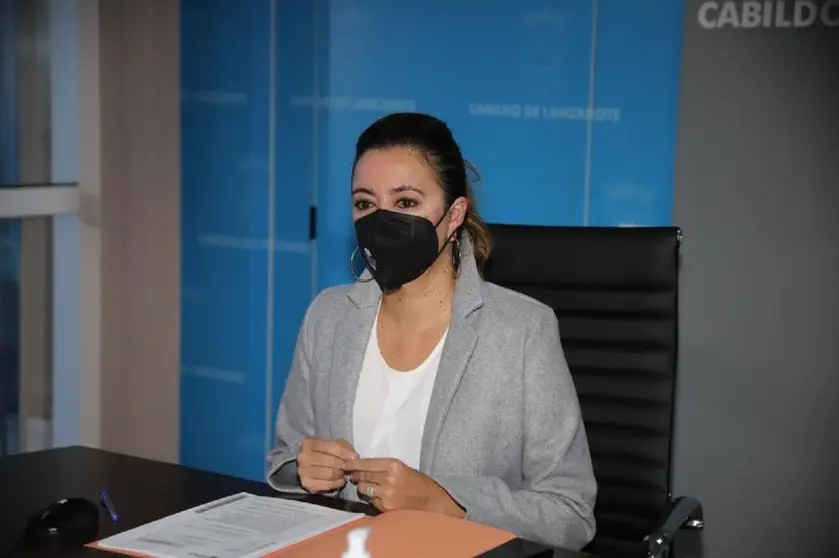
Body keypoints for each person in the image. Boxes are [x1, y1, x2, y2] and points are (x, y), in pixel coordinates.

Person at [267, 112, 596, 550]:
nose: (381, 221)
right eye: (365, 203)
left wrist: (449, 502)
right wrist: (302, 469)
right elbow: (285, 459)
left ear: (454, 214)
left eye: (405, 203)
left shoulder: (522, 331)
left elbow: (570, 515)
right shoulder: (327, 317)